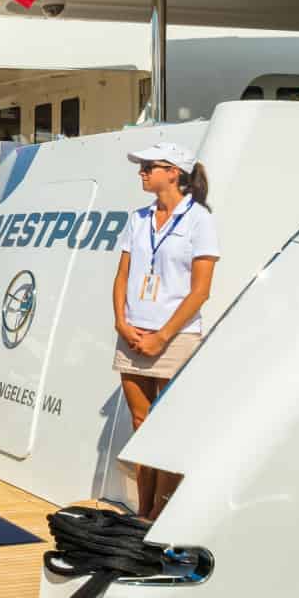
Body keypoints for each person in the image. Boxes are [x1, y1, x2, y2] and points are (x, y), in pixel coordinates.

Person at [110, 141, 218, 521]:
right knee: (141, 425)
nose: (141, 172)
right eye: (141, 167)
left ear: (174, 172)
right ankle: (143, 510)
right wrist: (122, 322)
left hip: (176, 337)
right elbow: (122, 276)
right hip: (133, 332)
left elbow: (200, 290)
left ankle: (161, 514)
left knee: (167, 428)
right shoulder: (137, 218)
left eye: (149, 166)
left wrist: (163, 335)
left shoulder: (199, 220)